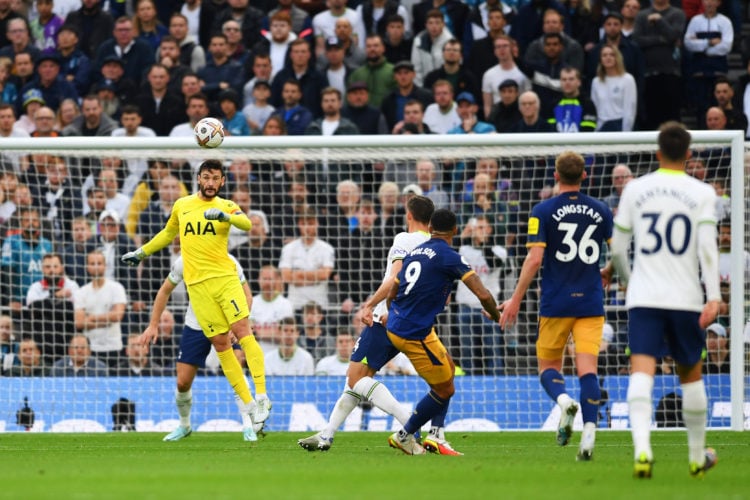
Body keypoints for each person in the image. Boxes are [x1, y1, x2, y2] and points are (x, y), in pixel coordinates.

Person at [122, 159, 267, 431]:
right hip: (198, 301)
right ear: (199, 178)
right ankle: (195, 421)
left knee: (242, 337)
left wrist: (225, 217)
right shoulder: (183, 206)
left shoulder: (226, 206)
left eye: (216, 178)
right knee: (195, 371)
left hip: (223, 284)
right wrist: (142, 252)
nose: (211, 182)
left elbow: (246, 224)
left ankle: (258, 404)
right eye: (206, 177)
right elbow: (167, 234)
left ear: (222, 181)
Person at [610, 121, 720, 478]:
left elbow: (617, 248)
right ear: (689, 155)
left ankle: (642, 451)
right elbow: (707, 248)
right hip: (686, 298)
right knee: (691, 375)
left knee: (642, 370)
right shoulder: (703, 192)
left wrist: (629, 281)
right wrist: (715, 295)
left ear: (657, 152)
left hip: (645, 296)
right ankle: (696, 456)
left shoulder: (635, 188)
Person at [499, 151, 613, 461]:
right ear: (584, 176)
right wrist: (609, 272)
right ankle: (589, 431)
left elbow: (535, 258)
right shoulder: (602, 210)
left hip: (555, 303)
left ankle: (563, 402)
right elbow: (620, 253)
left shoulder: (542, 210)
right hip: (590, 301)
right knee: (588, 368)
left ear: (555, 175)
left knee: (549, 368)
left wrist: (516, 299)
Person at [298, 195, 435, 452]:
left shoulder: (404, 239)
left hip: (386, 318)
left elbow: (395, 278)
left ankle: (408, 425)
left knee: (354, 377)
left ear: (409, 215)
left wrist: (370, 304)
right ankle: (327, 434)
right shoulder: (436, 247)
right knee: (360, 378)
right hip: (415, 323)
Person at [387, 208, 501, 455]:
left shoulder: (415, 252)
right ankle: (404, 435)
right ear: (456, 231)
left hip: (404, 324)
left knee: (448, 369)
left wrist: (396, 315)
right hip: (413, 332)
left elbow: (392, 291)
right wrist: (497, 315)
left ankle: (436, 435)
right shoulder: (450, 257)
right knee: (446, 389)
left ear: (429, 228)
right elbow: (482, 294)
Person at [138, 252, 270, 441]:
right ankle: (184, 425)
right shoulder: (184, 261)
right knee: (182, 382)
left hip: (225, 325)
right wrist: (153, 325)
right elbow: (164, 291)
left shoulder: (229, 261)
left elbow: (247, 295)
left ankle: (249, 424)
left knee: (236, 367)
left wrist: (239, 324)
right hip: (196, 325)